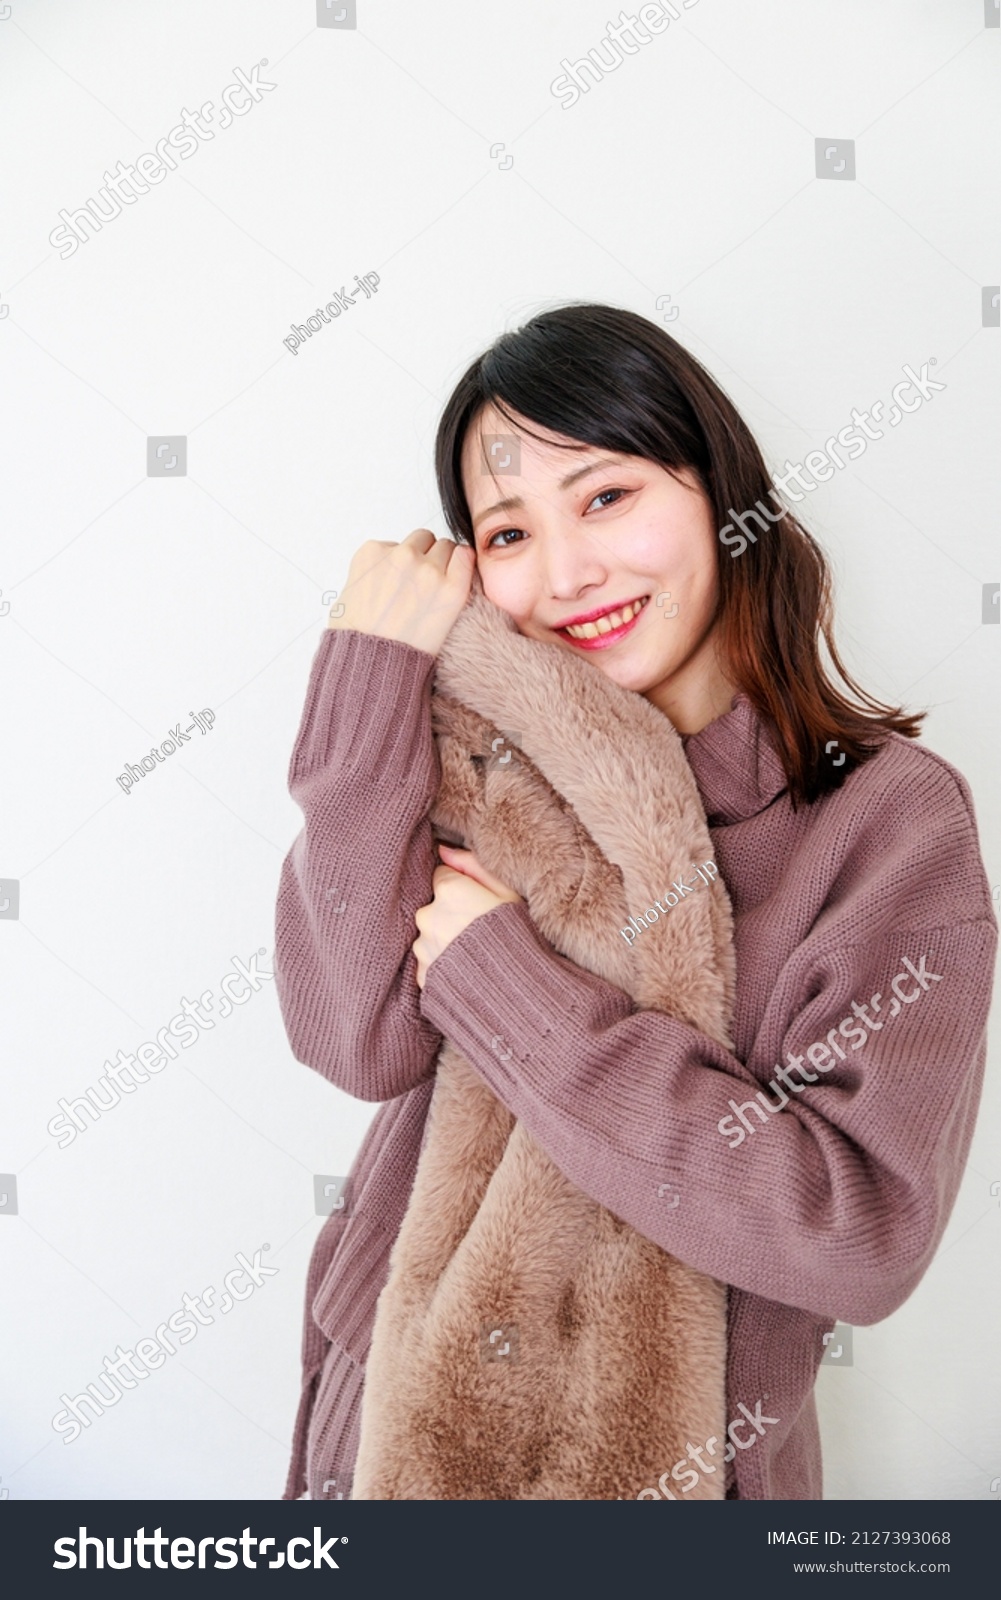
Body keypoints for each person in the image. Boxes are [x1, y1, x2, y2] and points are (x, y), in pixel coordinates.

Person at [275, 302, 996, 1501]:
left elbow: (852, 1233)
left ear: (717, 493)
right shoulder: (476, 767)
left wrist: (509, 990)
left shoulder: (884, 825)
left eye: (605, 497)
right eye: (508, 531)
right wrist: (369, 679)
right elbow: (353, 1039)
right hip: (390, 1435)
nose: (566, 574)